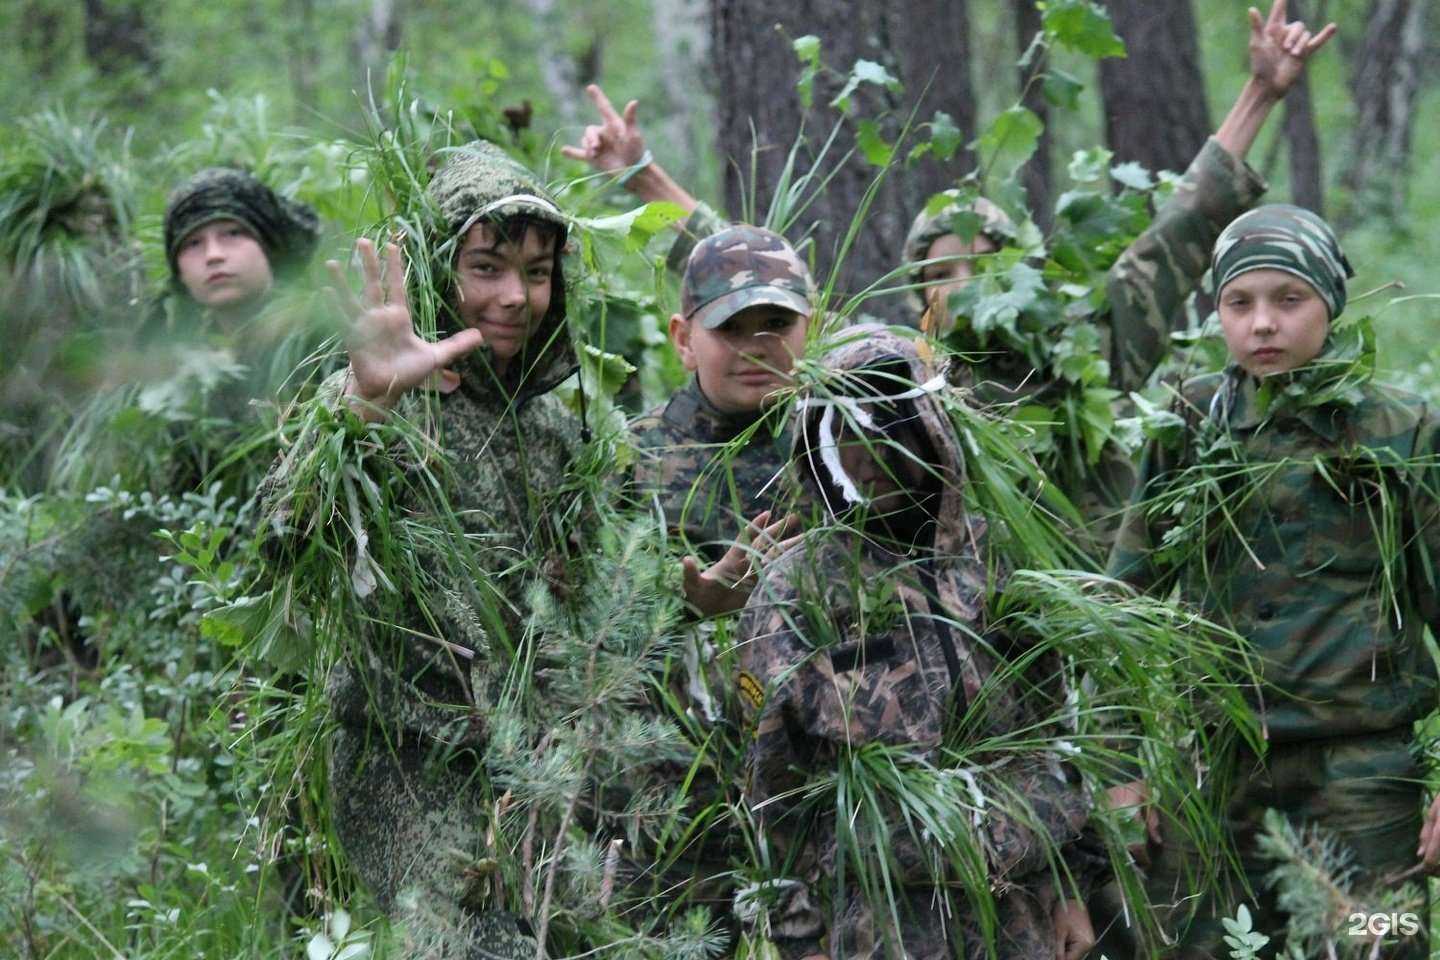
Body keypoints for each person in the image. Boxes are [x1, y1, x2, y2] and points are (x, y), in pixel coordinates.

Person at [258, 140, 582, 959]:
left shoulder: (555, 430)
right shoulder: (376, 399)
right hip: (406, 768)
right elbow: (279, 545)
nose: (515, 296)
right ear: (441, 270)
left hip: (536, 775)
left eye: (538, 273)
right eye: (486, 268)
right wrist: (367, 406)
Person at [1108, 204, 1440, 958]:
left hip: (1361, 782)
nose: (1263, 324)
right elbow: (1119, 612)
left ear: (1329, 303)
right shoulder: (1190, 426)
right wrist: (1122, 774)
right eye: (1240, 303)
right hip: (1217, 772)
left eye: (1289, 301)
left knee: (1375, 944)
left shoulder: (1401, 431)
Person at [736, 326, 1104, 960]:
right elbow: (770, 786)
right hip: (877, 921)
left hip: (1020, 909)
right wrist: (800, 941)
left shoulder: (1000, 562)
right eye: (843, 430)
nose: (865, 453)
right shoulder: (800, 591)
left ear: (933, 428)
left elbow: (1056, 735)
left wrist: (1070, 890)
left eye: (889, 425)